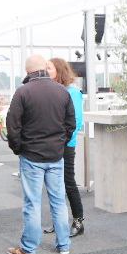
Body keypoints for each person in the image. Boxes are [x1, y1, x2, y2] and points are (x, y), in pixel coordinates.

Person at [4, 54, 75, 254]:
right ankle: (63, 245)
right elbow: (70, 124)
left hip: (31, 157)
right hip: (56, 156)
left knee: (32, 204)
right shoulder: (62, 91)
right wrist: (60, 144)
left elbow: (13, 125)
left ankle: (28, 248)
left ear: (27, 71)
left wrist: (18, 149)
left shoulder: (23, 92)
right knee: (58, 201)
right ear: (44, 67)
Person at [43, 57, 84, 237]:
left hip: (65, 145)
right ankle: (58, 220)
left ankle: (78, 221)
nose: (45, 71)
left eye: (49, 68)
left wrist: (63, 142)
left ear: (59, 70)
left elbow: (76, 122)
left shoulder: (72, 92)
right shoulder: (52, 91)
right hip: (52, 144)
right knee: (54, 184)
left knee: (68, 182)